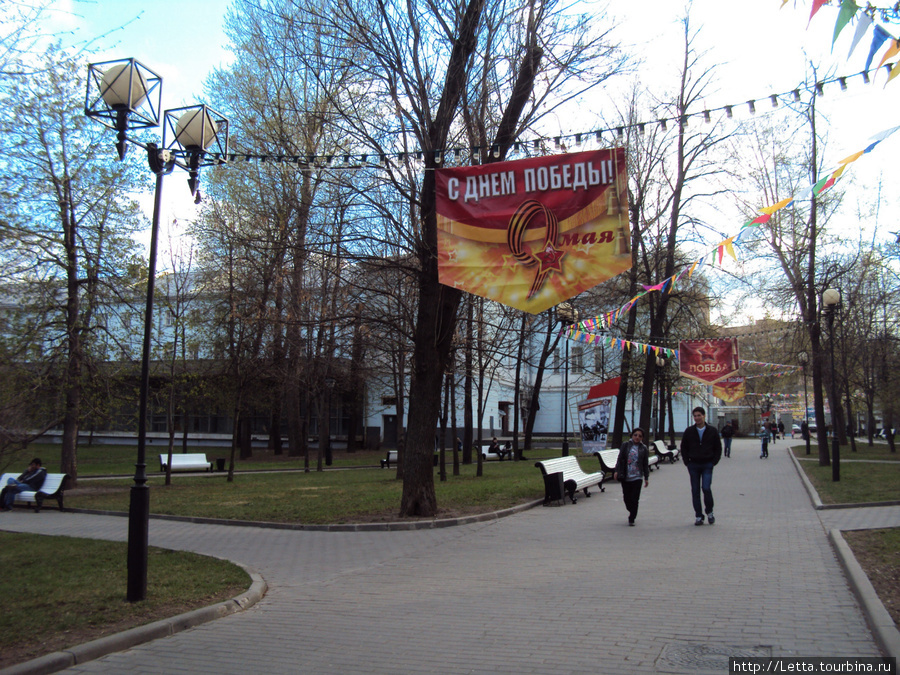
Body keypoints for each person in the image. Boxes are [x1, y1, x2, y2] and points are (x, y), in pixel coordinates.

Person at [680, 407, 722, 526]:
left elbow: (718, 447)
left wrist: (714, 461)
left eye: (699, 415)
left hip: (707, 464)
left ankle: (709, 512)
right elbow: (684, 447)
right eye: (695, 416)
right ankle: (698, 515)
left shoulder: (712, 431)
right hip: (693, 464)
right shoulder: (689, 431)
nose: (697, 418)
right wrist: (686, 461)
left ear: (704, 416)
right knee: (695, 490)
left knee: (706, 488)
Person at [613, 428, 650, 526]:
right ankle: (631, 509)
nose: (637, 437)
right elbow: (620, 459)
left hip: (637, 477)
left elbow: (645, 464)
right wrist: (616, 471)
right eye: (635, 435)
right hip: (626, 476)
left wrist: (646, 477)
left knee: (635, 498)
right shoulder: (625, 445)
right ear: (632, 435)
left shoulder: (643, 448)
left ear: (642, 438)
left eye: (640, 436)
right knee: (627, 498)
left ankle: (632, 517)